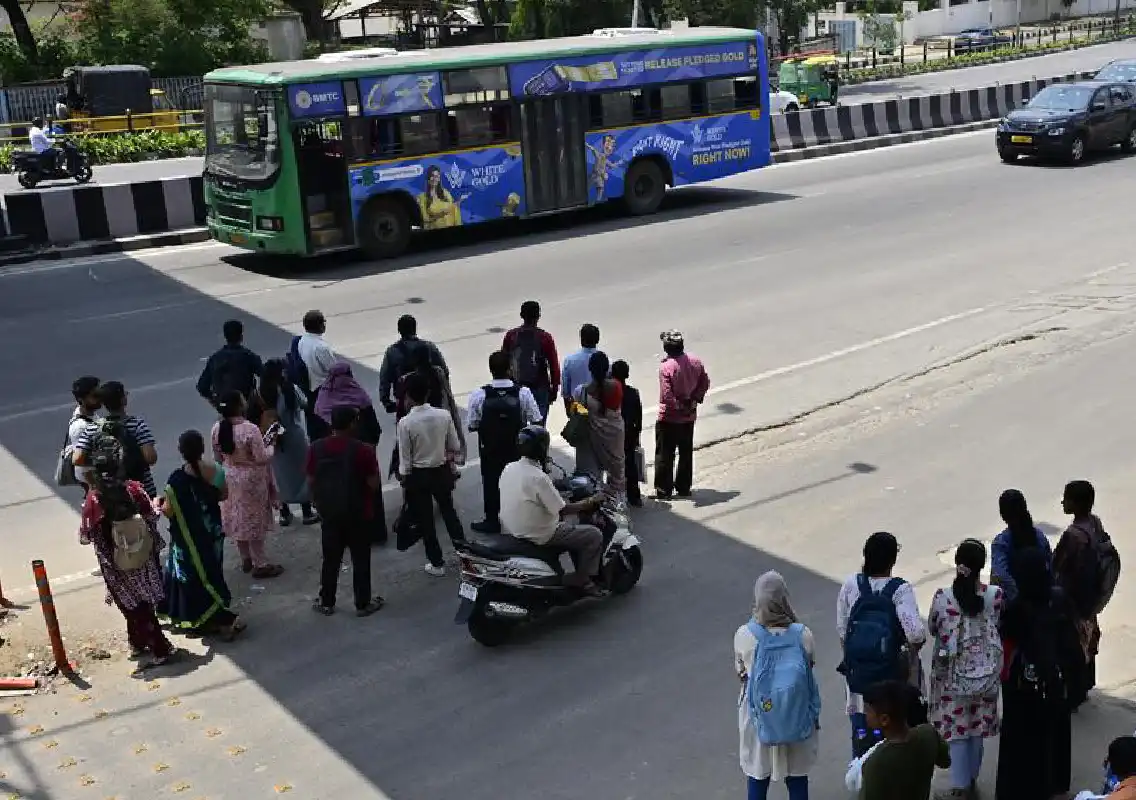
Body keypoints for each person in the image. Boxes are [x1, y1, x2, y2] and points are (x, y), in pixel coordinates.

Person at [78, 433, 175, 668]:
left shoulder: (93, 500)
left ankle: (146, 644)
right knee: (144, 605)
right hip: (142, 556)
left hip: (115, 563)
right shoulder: (134, 489)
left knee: (130, 605)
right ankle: (151, 644)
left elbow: (85, 535)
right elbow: (151, 518)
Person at [996, 547, 1078, 800]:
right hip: (1055, 680)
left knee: (1022, 741)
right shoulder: (1060, 598)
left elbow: (1006, 644)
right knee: (1055, 735)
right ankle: (1055, 784)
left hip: (1024, 686)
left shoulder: (1018, 607)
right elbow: (1071, 642)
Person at [837, 531, 927, 757]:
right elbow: (916, 635)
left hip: (859, 685)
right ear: (892, 560)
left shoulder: (851, 586)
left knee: (863, 747)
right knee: (896, 745)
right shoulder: (899, 591)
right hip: (893, 686)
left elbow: (842, 632)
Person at [927, 539, 1003, 800]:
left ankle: (960, 787)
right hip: (985, 677)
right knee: (976, 728)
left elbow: (933, 628)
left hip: (951, 676)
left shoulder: (943, 597)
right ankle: (970, 779)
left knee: (957, 729)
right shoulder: (994, 596)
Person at [734, 571, 819, 800]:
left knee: (757, 778)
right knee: (798, 779)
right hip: (796, 716)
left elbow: (741, 673)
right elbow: (809, 667)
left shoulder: (744, 635)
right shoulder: (803, 635)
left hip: (759, 719)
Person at [155, 430, 245, 640]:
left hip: (188, 540)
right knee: (212, 572)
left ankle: (211, 619)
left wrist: (159, 504)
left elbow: (169, 511)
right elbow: (223, 495)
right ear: (202, 448)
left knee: (194, 578)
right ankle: (215, 615)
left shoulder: (176, 480)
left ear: (181, 451)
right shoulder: (216, 470)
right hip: (212, 531)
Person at [498, 425, 606, 596]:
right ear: (542, 448)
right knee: (593, 535)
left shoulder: (509, 467)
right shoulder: (538, 477)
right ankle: (583, 579)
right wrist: (590, 501)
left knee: (566, 526)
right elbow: (562, 509)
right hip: (540, 534)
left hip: (511, 529)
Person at [307, 406, 384, 617]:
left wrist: (318, 503)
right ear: (353, 423)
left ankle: (326, 601)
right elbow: (374, 484)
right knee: (360, 559)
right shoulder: (363, 450)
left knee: (330, 559)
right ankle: (362, 603)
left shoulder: (316, 448)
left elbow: (311, 481)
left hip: (330, 513)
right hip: (358, 512)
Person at [397, 373, 466, 576]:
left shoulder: (405, 423)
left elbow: (405, 459)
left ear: (408, 396)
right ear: (428, 393)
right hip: (441, 471)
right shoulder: (443, 415)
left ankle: (437, 563)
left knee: (426, 521)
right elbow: (454, 445)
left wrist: (405, 478)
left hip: (419, 476)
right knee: (449, 513)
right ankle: (466, 557)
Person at [467, 350, 542, 534]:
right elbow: (537, 420)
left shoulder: (479, 395)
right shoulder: (523, 393)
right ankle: (519, 520)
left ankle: (492, 520)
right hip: (517, 449)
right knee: (518, 483)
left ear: (490, 370)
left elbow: (472, 424)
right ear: (510, 369)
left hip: (490, 450)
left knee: (491, 484)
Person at [313, 361, 388, 543]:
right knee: (368, 493)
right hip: (363, 455)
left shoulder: (323, 401)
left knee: (342, 494)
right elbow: (375, 430)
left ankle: (347, 536)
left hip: (334, 459)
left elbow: (315, 434)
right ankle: (375, 533)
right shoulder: (359, 396)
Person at [211, 390, 283, 579]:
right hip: (251, 480)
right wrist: (272, 444)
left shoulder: (217, 428)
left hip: (229, 478)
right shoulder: (249, 429)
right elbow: (261, 457)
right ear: (239, 406)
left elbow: (218, 458)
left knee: (237, 518)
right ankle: (261, 563)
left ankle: (245, 558)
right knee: (254, 520)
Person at [1053, 479, 1110, 709]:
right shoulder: (1094, 523)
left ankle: (1073, 695)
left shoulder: (1073, 535)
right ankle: (1085, 686)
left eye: (1066, 498)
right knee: (1088, 640)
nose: (1062, 502)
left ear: (1075, 504)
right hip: (1090, 598)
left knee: (1071, 646)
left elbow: (1058, 566)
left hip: (1072, 600)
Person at [858, 679, 951, 800]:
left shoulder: (876, 763)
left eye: (868, 711)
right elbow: (945, 762)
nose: (865, 715)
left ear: (884, 720)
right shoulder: (928, 734)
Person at [259, 359, 319, 527]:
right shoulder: (289, 389)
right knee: (302, 472)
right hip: (293, 434)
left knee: (278, 475)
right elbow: (305, 403)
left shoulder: (260, 394)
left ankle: (284, 513)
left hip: (274, 439)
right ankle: (307, 511)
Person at [72, 381, 159, 498]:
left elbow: (77, 459)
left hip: (110, 494)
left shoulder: (93, 428)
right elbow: (151, 458)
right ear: (123, 400)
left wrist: (102, 460)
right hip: (140, 492)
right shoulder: (137, 425)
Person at [655, 329, 710, 499]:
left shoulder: (666, 367)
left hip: (670, 419)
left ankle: (664, 490)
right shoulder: (695, 361)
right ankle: (683, 487)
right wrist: (693, 401)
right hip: (688, 417)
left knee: (665, 454)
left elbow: (667, 396)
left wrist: (679, 406)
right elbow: (704, 382)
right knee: (685, 453)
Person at [574, 351, 626, 501]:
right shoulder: (617, 386)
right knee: (617, 476)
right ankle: (619, 504)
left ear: (590, 369)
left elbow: (577, 412)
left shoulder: (581, 392)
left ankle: (596, 503)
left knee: (593, 476)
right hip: (615, 436)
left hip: (593, 438)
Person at [501, 300, 560, 424]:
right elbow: (554, 366)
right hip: (540, 387)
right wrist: (554, 389)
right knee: (538, 426)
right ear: (538, 316)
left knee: (518, 424)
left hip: (516, 387)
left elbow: (503, 362)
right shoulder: (545, 338)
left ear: (521, 315)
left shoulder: (511, 336)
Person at [378, 314, 449, 415]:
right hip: (432, 400)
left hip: (406, 403)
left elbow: (384, 379)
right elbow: (444, 372)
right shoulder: (429, 347)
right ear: (415, 329)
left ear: (399, 330)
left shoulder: (392, 352)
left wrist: (386, 402)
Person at [990, 489, 1052, 603]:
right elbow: (1050, 567)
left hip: (1015, 608)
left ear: (1002, 514)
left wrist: (1017, 599)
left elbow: (1000, 575)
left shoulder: (1001, 543)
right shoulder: (1040, 536)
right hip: (1043, 600)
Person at [196, 319, 263, 408]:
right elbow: (265, 375)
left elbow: (202, 387)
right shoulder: (249, 356)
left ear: (225, 336)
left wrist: (216, 401)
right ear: (241, 336)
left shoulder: (215, 358)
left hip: (224, 406)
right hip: (246, 405)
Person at [611, 360, 643, 507]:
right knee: (630, 465)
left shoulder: (610, 392)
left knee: (614, 465)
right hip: (629, 434)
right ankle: (634, 496)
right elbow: (638, 416)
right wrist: (637, 436)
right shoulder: (633, 393)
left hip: (614, 434)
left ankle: (614, 496)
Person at [65, 375, 102, 492]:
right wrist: (95, 489)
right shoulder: (80, 427)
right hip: (93, 483)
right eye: (95, 396)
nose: (100, 398)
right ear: (82, 399)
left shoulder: (90, 415)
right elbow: (83, 464)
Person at [561, 323, 600, 415]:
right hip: (599, 412)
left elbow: (566, 392)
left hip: (578, 411)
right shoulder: (606, 361)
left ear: (581, 339)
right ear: (597, 340)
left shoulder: (569, 361)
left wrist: (569, 412)